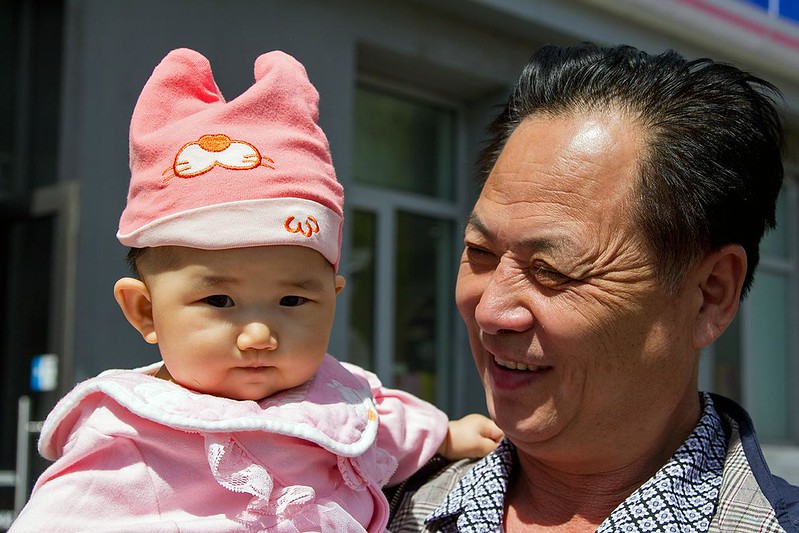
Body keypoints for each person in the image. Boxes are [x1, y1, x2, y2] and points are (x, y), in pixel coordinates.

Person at [10, 48, 502, 533]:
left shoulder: (340, 397)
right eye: (219, 301)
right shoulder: (130, 436)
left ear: (332, 299)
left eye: (293, 300)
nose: (259, 335)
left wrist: (447, 435)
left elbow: (384, 432)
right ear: (145, 311)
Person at [386, 42, 799, 532]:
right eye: (480, 252)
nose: (492, 311)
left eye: (552, 271)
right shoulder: (354, 506)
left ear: (710, 293)